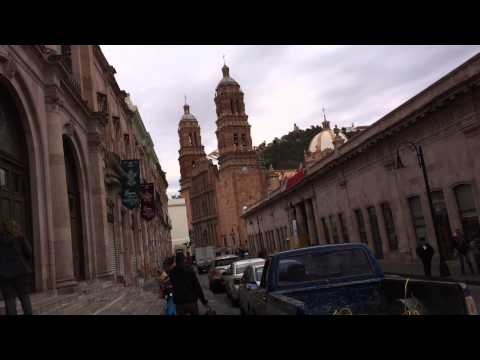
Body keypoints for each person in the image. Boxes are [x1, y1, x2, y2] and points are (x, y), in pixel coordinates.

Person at [0, 219, 33, 315]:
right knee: (24, 297)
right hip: (21, 272)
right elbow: (29, 252)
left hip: (4, 274)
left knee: (9, 300)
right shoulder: (20, 237)